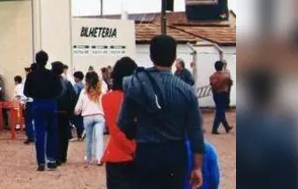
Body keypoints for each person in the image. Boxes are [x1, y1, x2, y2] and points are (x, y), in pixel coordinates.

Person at [118, 35, 205, 189]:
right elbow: (196, 133)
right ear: (174, 57)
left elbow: (123, 121)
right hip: (175, 152)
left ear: (151, 56)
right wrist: (197, 167)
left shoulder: (135, 84)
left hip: (146, 151)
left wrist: (139, 133)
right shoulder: (186, 91)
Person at [102, 57, 138, 189]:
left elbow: (115, 130)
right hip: (135, 154)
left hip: (115, 155)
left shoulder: (106, 98)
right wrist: (134, 150)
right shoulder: (136, 97)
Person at [24, 51, 61, 171]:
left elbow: (26, 92)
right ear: (46, 60)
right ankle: (51, 159)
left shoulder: (31, 75)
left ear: (36, 60)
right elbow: (59, 90)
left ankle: (41, 162)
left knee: (39, 133)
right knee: (52, 131)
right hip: (51, 103)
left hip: (37, 103)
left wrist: (35, 95)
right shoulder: (53, 74)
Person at [74, 71, 106, 165]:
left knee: (89, 138)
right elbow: (105, 103)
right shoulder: (101, 91)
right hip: (99, 116)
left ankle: (89, 158)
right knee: (99, 137)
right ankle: (99, 158)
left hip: (87, 116)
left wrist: (76, 112)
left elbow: (78, 106)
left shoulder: (84, 91)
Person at [209, 61, 233, 134]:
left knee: (220, 110)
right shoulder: (225, 77)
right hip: (223, 94)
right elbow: (230, 84)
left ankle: (226, 127)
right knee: (220, 111)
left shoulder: (212, 76)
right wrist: (228, 95)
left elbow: (211, 84)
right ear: (222, 67)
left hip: (215, 94)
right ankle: (214, 129)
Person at [72, 70, 87, 140]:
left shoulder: (76, 85)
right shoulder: (84, 85)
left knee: (77, 121)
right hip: (84, 105)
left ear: (78, 78)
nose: (74, 79)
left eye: (75, 77)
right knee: (82, 119)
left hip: (77, 104)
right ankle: (83, 132)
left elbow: (74, 95)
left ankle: (80, 135)